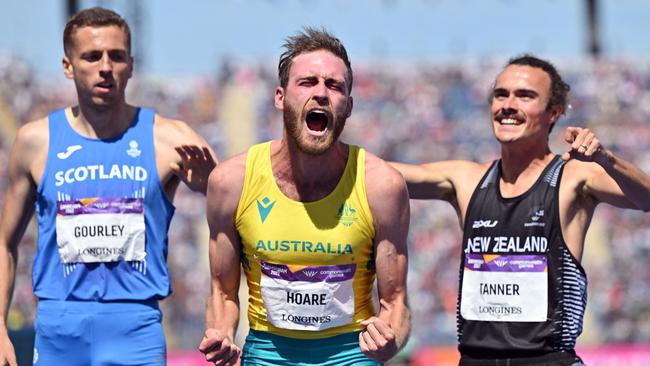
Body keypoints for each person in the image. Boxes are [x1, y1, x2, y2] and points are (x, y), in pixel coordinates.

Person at [391, 54, 650, 365]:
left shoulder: (573, 178)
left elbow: (646, 199)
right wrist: (325, 146)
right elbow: (383, 174)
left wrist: (606, 159)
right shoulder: (467, 179)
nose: (508, 105)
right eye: (501, 94)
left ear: (553, 113)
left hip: (547, 359)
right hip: (475, 359)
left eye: (525, 95)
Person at [0, 7, 216, 366]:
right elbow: (5, 242)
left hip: (135, 328)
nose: (105, 67)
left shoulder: (171, 139)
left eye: (116, 56)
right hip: (59, 328)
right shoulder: (35, 141)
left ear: (130, 65)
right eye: (91, 56)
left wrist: (212, 185)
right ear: (68, 66)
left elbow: (236, 212)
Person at [198, 27, 410, 366]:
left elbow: (396, 300)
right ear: (280, 97)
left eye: (335, 85)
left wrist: (390, 340)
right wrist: (221, 332)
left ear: (349, 106)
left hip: (351, 353)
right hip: (268, 352)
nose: (322, 93)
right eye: (308, 82)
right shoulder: (231, 182)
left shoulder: (381, 186)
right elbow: (222, 292)